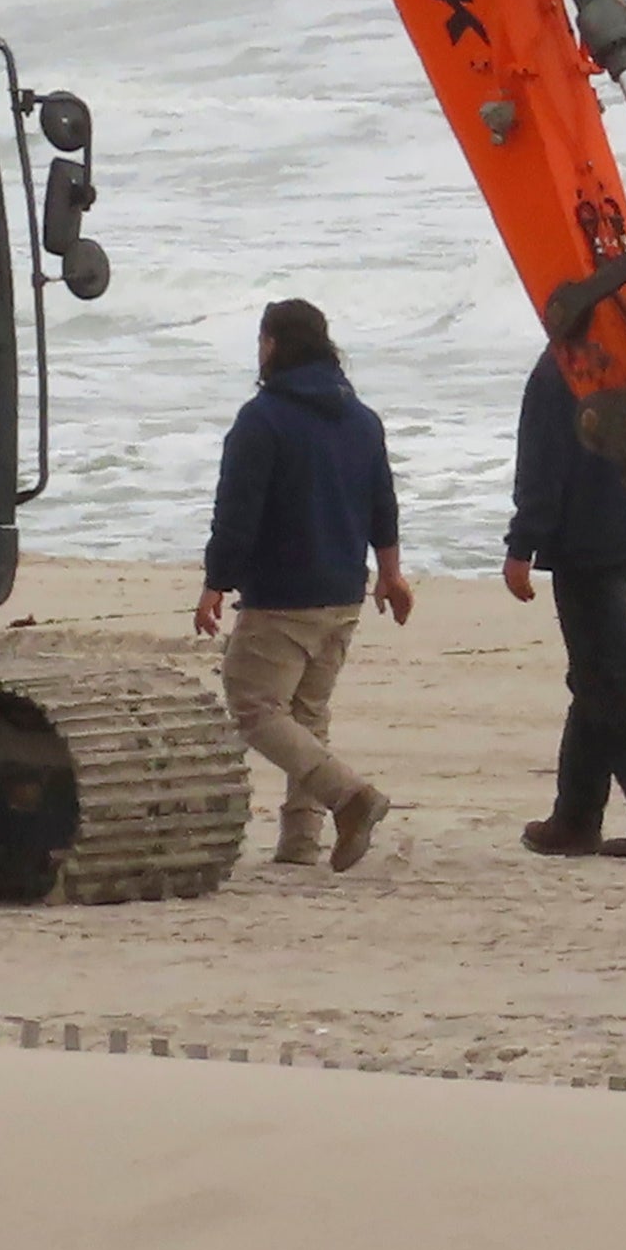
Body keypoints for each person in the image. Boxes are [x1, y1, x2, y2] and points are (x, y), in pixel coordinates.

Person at [195, 299, 409, 871]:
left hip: (284, 595)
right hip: (343, 590)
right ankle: (298, 844)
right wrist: (390, 573)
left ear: (273, 346)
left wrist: (216, 582)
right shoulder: (361, 418)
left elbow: (236, 512)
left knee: (254, 705)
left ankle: (350, 797)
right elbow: (382, 503)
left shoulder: (261, 419)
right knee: (307, 713)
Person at [505, 343, 626, 860]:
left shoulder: (559, 368)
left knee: (610, 677)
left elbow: (542, 463)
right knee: (596, 675)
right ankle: (575, 819)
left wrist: (521, 545)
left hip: (585, 539)